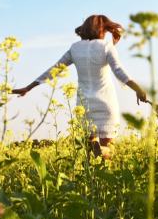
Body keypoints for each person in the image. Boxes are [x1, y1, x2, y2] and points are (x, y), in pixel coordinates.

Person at [12, 14, 147, 158]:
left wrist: (29, 87)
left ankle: (94, 149)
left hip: (84, 105)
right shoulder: (106, 46)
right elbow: (119, 71)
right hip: (106, 103)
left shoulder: (75, 48)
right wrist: (138, 89)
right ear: (102, 29)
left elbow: (54, 69)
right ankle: (103, 152)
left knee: (89, 156)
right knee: (107, 151)